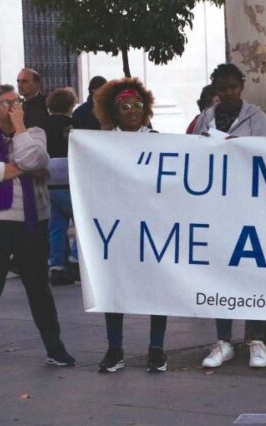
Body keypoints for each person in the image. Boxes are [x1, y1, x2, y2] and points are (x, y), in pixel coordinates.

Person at [0, 84, 76, 372]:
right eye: (6, 102)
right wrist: (23, 167)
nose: (14, 106)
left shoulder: (34, 133)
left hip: (33, 223)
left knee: (39, 290)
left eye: (17, 101)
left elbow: (36, 158)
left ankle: (55, 349)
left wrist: (20, 129)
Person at [192, 64, 266, 369]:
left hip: (251, 205)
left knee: (253, 272)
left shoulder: (258, 118)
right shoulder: (206, 117)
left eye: (232, 87)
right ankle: (223, 341)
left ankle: (257, 340)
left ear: (242, 86)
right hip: (217, 205)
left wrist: (239, 149)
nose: (228, 93)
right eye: (222, 88)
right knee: (221, 271)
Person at [93, 77, 169, 374]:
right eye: (124, 105)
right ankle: (115, 349)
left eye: (137, 104)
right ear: (113, 110)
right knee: (115, 286)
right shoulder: (100, 144)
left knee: (157, 287)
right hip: (117, 226)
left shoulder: (159, 140)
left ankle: (157, 348)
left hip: (152, 224)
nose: (132, 110)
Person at [42, 88, 79, 286]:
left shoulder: (42, 126)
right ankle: (75, 259)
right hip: (68, 176)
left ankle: (56, 266)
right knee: (82, 222)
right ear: (70, 105)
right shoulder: (72, 126)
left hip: (48, 177)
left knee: (56, 226)